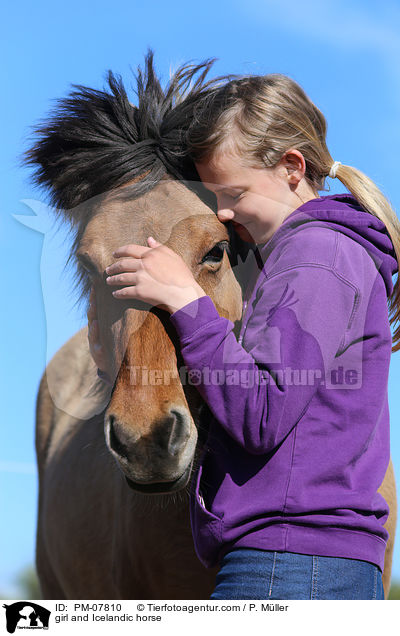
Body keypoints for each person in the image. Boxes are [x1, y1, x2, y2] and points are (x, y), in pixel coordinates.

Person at [87, 73, 400, 599]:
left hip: (289, 564)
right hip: (297, 557)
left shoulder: (316, 258)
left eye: (232, 194)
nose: (224, 214)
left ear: (293, 167)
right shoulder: (310, 257)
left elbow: (260, 414)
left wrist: (188, 302)